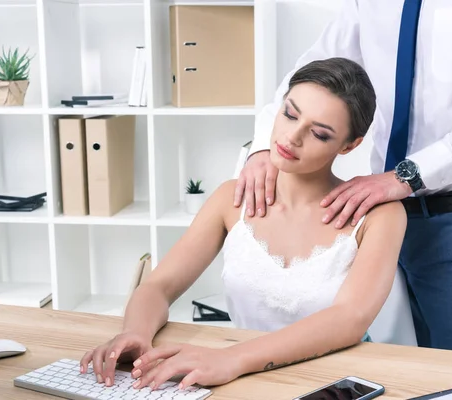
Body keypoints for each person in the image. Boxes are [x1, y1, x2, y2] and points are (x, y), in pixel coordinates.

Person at [234, 0, 452, 357]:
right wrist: (265, 146)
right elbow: (319, 67)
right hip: (372, 219)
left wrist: (409, 176)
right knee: (378, 370)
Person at [79, 58, 408, 390]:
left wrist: (232, 359)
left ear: (349, 145)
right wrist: (135, 332)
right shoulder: (230, 199)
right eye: (290, 114)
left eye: (319, 133)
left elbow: (348, 320)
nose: (292, 137)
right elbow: (157, 287)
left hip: (335, 384)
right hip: (244, 383)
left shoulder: (379, 215)